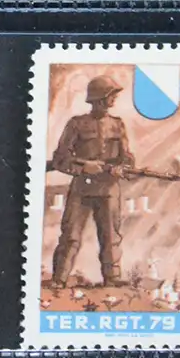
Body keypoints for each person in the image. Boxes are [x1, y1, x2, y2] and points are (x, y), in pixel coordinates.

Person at [48, 74, 132, 286]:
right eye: (111, 95)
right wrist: (84, 167)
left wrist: (123, 168)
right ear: (100, 98)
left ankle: (112, 278)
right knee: (71, 235)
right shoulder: (77, 124)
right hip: (82, 188)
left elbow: (127, 158)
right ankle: (59, 279)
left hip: (109, 188)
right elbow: (60, 159)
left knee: (111, 236)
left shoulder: (117, 125)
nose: (114, 99)